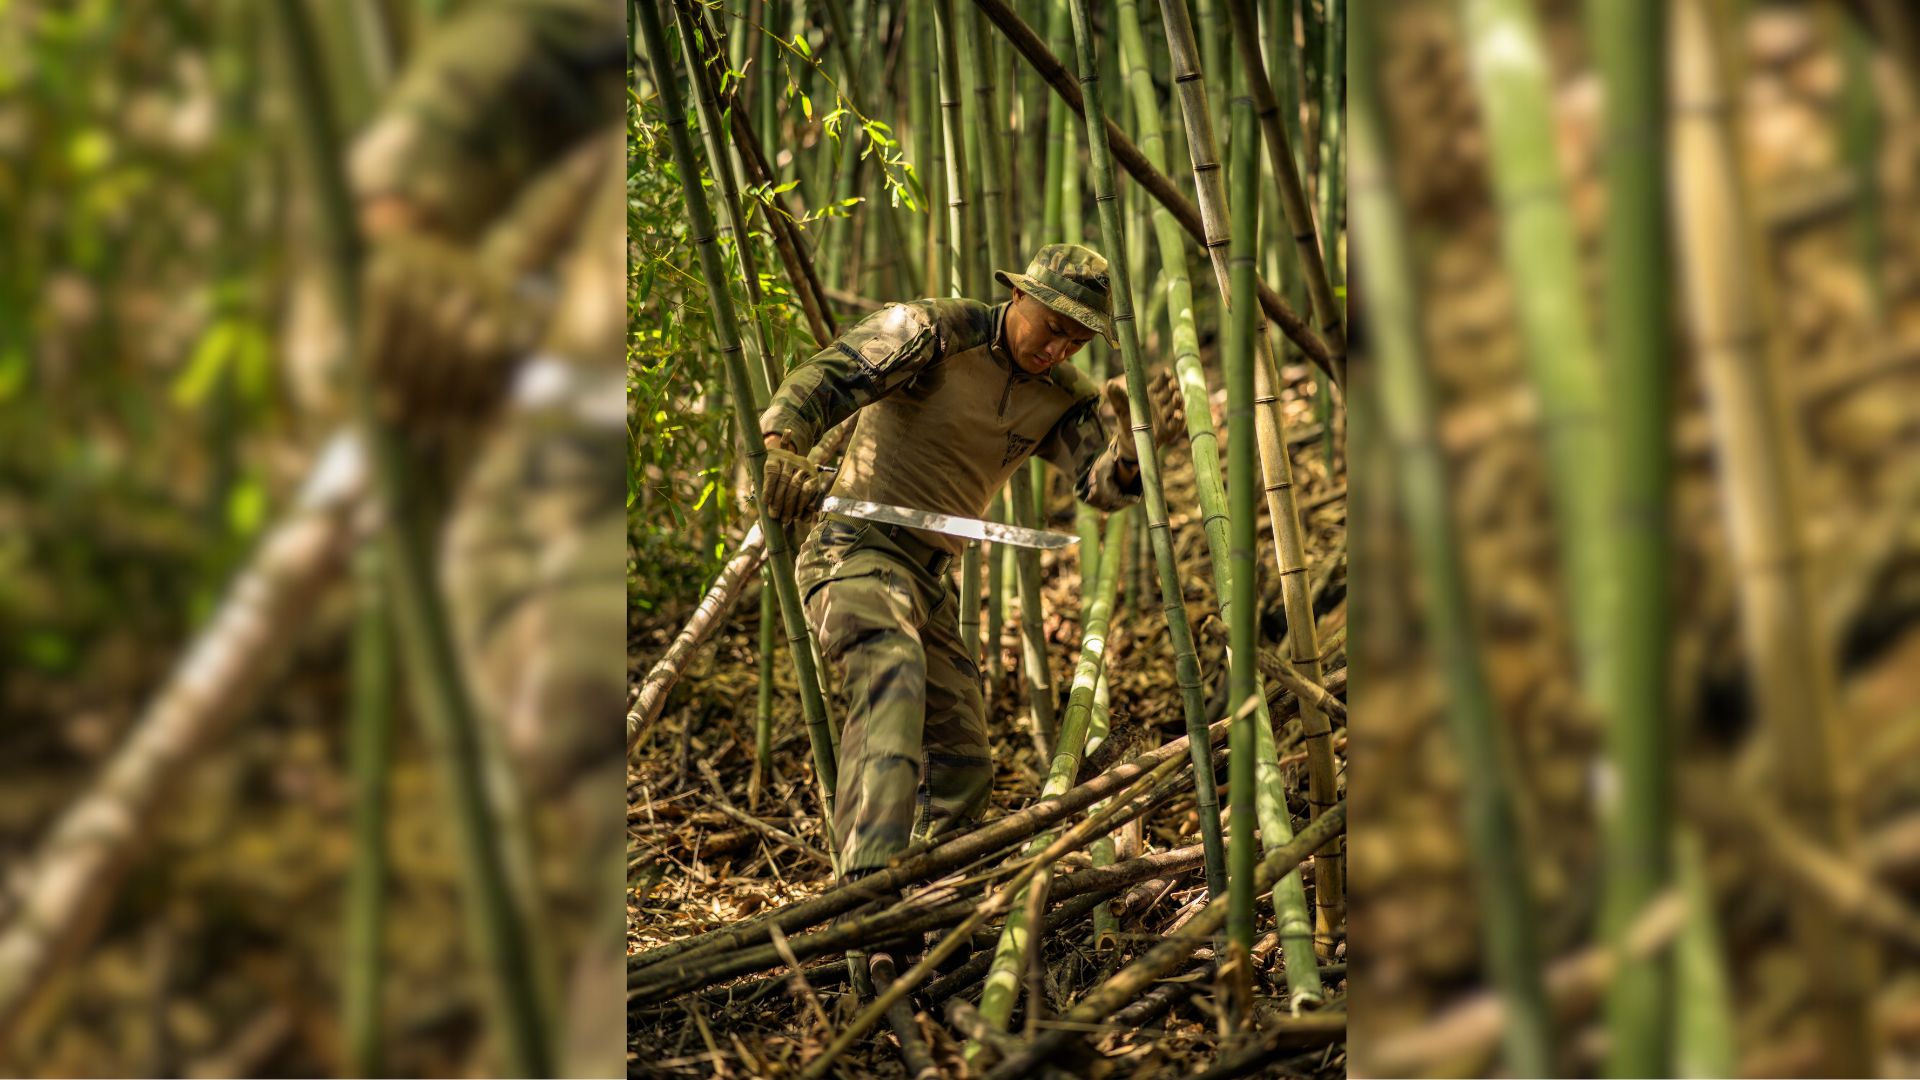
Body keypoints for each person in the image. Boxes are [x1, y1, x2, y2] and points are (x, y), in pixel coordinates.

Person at [754, 243, 1184, 955]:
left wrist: (1139, 449)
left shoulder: (1065, 395)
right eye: (1052, 324)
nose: (1058, 345)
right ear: (1018, 297)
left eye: (1077, 338)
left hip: (928, 579)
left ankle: (925, 908)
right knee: (893, 670)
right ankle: (864, 904)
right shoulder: (934, 330)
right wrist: (784, 444)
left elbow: (1100, 488)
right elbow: (828, 377)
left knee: (963, 764)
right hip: (853, 549)